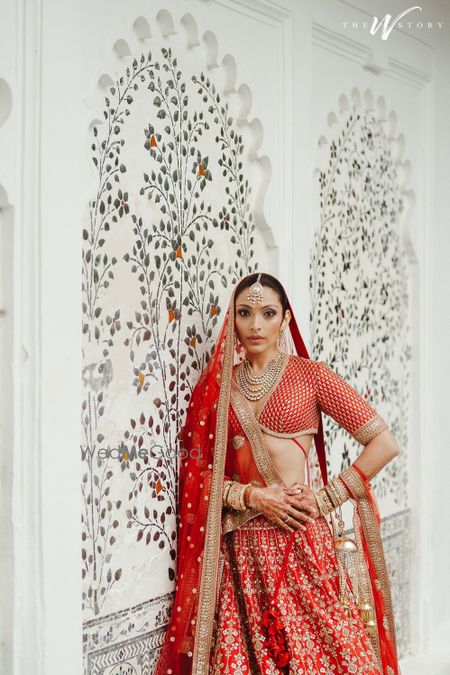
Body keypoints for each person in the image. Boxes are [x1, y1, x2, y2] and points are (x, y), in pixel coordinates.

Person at [154, 272, 400, 675]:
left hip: (300, 540)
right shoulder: (217, 386)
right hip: (241, 552)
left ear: (285, 319)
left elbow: (384, 444)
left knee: (330, 655)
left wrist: (324, 500)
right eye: (244, 313)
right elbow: (196, 473)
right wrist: (253, 496)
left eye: (267, 314)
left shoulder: (311, 376)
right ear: (232, 320)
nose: (255, 325)